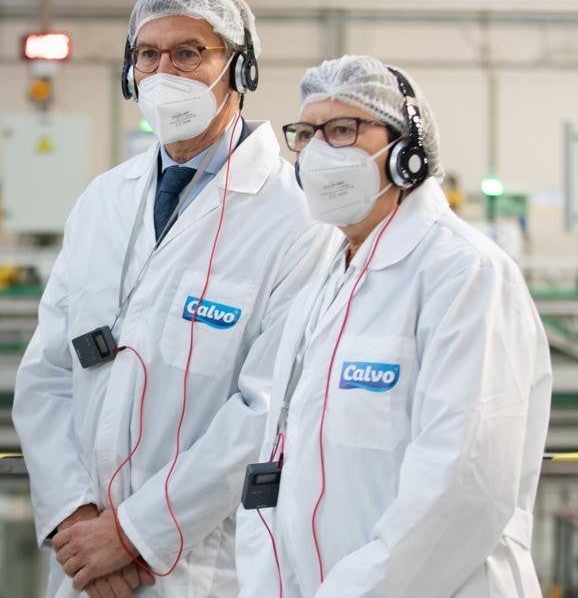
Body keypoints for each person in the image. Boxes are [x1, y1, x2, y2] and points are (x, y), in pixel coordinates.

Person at [13, 0, 327, 598]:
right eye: (147, 55)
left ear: (240, 69)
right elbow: (47, 374)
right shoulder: (104, 199)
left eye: (189, 53)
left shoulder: (298, 217)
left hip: (203, 567)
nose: (165, 71)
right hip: (83, 563)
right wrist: (76, 521)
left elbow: (267, 409)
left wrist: (132, 536)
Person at [235, 55, 552, 597]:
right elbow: (274, 471)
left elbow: (463, 484)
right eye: (306, 135)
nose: (317, 152)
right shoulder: (323, 289)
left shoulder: (465, 274)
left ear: (407, 152)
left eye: (342, 130)